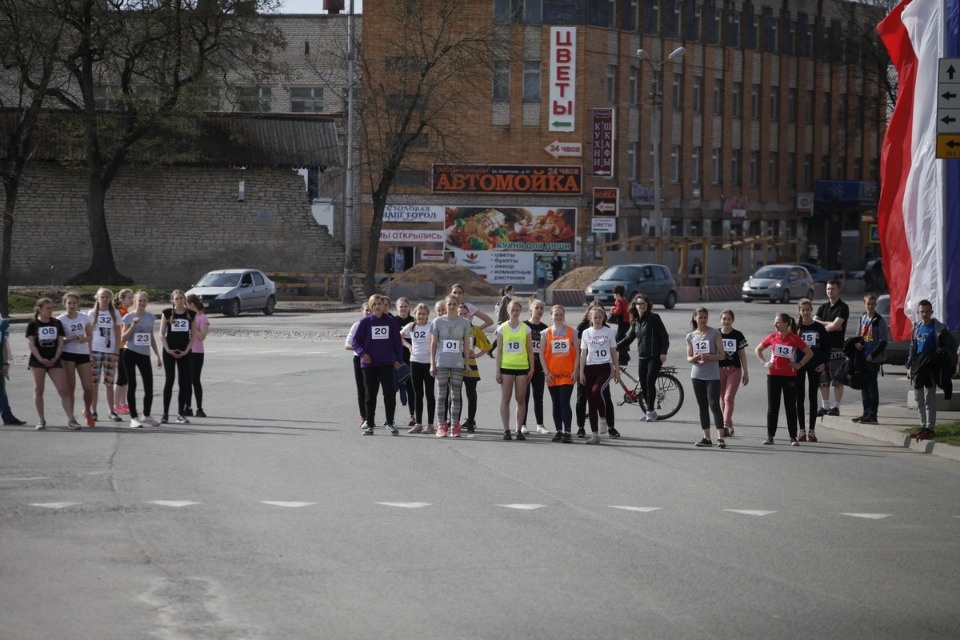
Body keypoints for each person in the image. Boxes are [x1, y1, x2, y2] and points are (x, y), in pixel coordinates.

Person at [756, 313, 814, 446]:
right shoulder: (772, 337)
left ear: (786, 323)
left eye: (778, 322)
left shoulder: (794, 338)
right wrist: (765, 363)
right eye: (775, 322)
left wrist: (799, 365)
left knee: (790, 406)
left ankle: (793, 437)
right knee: (773, 407)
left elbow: (809, 353)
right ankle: (770, 436)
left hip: (789, 376)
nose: (775, 324)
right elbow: (758, 350)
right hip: (773, 375)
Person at [352, 294, 403, 435]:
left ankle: (390, 422)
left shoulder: (391, 321)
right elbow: (355, 341)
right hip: (369, 365)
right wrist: (363, 354)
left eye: (380, 303)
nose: (377, 306)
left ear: (384, 305)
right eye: (374, 304)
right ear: (370, 307)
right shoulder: (365, 322)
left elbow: (397, 342)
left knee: (389, 394)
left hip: (386, 363)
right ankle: (369, 424)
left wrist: (398, 359)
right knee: (370, 395)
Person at [906, 300, 956, 440]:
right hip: (918, 366)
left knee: (929, 398)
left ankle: (930, 427)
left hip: (931, 367)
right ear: (918, 312)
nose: (925, 314)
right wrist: (909, 366)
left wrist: (941, 354)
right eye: (922, 311)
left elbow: (950, 345)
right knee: (919, 398)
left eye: (927, 311)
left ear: (931, 312)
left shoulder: (939, 328)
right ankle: (923, 426)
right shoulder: (917, 328)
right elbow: (912, 348)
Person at [25, 298, 77, 430]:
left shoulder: (56, 323)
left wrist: (55, 358)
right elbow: (31, 344)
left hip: (54, 360)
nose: (50, 311)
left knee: (63, 390)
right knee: (39, 389)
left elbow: (60, 342)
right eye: (47, 308)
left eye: (52, 308)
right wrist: (41, 359)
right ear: (40, 309)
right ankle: (41, 419)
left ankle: (71, 419)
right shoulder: (33, 324)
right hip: (38, 361)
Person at [617, 294, 670, 422]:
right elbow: (629, 338)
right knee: (644, 385)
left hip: (655, 355)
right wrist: (615, 346)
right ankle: (649, 411)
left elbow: (664, 336)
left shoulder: (654, 318)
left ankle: (650, 411)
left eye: (644, 303)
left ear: (648, 305)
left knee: (649, 381)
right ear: (635, 306)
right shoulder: (636, 321)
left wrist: (663, 352)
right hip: (642, 356)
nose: (642, 306)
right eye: (639, 304)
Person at [573, 302, 618, 438]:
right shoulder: (584, 329)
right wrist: (580, 370)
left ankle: (608, 423)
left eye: (600, 316)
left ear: (603, 316)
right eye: (595, 316)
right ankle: (588, 431)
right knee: (586, 399)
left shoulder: (608, 331)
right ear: (590, 316)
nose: (597, 319)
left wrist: (615, 369)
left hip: (603, 367)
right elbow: (581, 352)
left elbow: (613, 352)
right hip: (588, 367)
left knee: (600, 393)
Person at [429, 294, 471, 437]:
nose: (452, 306)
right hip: (441, 362)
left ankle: (454, 426)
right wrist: (432, 364)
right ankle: (441, 426)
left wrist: (467, 363)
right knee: (441, 395)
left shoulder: (464, 322)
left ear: (458, 305)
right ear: (445, 305)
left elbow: (466, 344)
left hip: (457, 363)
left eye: (454, 304)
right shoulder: (437, 321)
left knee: (456, 395)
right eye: (449, 304)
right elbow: (433, 344)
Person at [120, 291, 163, 428]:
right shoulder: (128, 317)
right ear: (135, 301)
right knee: (132, 384)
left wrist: (158, 355)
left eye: (145, 301)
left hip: (144, 354)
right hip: (130, 352)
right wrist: (133, 325)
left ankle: (146, 415)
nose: (142, 303)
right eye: (140, 301)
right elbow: (123, 339)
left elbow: (151, 337)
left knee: (149, 386)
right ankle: (134, 417)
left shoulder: (150, 317)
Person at [686, 307, 726, 448]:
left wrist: (710, 356)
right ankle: (706, 438)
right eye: (700, 317)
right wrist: (694, 358)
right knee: (702, 406)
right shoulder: (691, 336)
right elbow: (688, 358)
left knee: (714, 404)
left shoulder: (714, 333)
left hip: (712, 375)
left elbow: (722, 355)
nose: (703, 320)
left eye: (705, 317)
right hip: (697, 375)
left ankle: (721, 438)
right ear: (695, 318)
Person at [495, 300, 534, 440]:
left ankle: (518, 430)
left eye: (517, 310)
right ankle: (506, 430)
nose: (515, 313)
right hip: (506, 367)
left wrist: (531, 368)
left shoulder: (526, 328)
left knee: (520, 398)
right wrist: (498, 371)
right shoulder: (502, 328)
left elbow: (530, 350)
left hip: (522, 367)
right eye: (512, 310)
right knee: (506, 398)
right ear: (508, 311)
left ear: (520, 311)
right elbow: (499, 351)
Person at [540, 304, 579, 442]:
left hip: (568, 374)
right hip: (552, 374)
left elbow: (578, 353)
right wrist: (546, 372)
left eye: (561, 314)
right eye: (555, 314)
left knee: (564, 401)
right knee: (555, 403)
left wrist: (576, 370)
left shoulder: (572, 332)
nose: (558, 317)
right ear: (551, 316)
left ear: (564, 316)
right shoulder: (545, 333)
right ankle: (559, 431)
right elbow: (541, 354)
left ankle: (567, 432)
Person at [57, 292, 95, 427]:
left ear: (78, 304)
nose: (72, 305)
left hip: (82, 354)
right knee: (70, 387)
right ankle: (71, 417)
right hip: (67, 354)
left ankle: (87, 410)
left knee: (88, 387)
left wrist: (84, 339)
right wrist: (71, 338)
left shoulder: (84, 317)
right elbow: (59, 340)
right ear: (64, 304)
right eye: (69, 303)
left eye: (74, 303)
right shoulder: (60, 320)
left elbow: (90, 336)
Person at [159, 290, 196, 424]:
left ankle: (180, 413)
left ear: (185, 299)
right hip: (169, 351)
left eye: (181, 298)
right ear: (172, 301)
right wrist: (168, 349)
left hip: (184, 351)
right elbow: (162, 334)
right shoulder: (167, 313)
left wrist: (186, 350)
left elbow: (193, 336)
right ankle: (165, 413)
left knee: (183, 382)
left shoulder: (191, 314)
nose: (179, 300)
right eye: (176, 299)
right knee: (169, 380)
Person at [851, 294, 889, 424]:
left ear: (875, 305)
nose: (870, 306)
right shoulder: (862, 318)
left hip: (872, 359)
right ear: (864, 304)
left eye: (873, 304)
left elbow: (883, 341)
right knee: (864, 386)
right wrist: (857, 344)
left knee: (872, 387)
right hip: (862, 358)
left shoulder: (879, 321)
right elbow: (857, 336)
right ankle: (865, 412)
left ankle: (873, 414)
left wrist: (872, 355)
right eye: (868, 304)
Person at [815, 280, 850, 416]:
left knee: (837, 379)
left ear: (838, 290)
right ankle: (825, 406)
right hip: (822, 349)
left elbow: (835, 326)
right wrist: (830, 324)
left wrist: (828, 325)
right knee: (822, 380)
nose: (830, 291)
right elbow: (814, 323)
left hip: (836, 348)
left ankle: (836, 407)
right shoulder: (822, 307)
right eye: (828, 289)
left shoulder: (843, 307)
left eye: (833, 289)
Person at [795, 299, 829, 442]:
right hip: (799, 365)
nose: (805, 312)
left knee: (812, 397)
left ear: (811, 310)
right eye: (802, 310)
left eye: (807, 309)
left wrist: (824, 363)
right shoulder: (796, 327)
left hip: (815, 365)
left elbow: (827, 347)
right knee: (800, 397)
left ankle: (812, 431)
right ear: (799, 311)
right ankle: (802, 431)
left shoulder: (819, 327)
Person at [88, 288, 123, 423]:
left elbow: (118, 334)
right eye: (102, 297)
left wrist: (116, 352)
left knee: (109, 383)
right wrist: (89, 352)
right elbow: (89, 334)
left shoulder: (115, 313)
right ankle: (93, 411)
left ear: (110, 299)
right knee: (94, 383)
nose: (104, 299)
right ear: (97, 298)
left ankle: (111, 411)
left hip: (110, 351)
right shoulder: (92, 313)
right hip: (95, 350)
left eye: (107, 297)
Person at [401, 303, 435, 434]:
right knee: (418, 394)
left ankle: (430, 424)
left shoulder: (431, 326)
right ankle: (418, 423)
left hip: (428, 362)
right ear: (415, 314)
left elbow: (435, 343)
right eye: (419, 313)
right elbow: (398, 336)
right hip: (415, 362)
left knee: (429, 394)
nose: (421, 316)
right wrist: (408, 346)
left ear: (427, 315)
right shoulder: (411, 326)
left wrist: (433, 363)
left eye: (423, 314)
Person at [459, 302, 490, 434]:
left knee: (471, 395)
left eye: (465, 314)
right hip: (455, 365)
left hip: (471, 366)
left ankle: (471, 422)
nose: (463, 316)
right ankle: (455, 422)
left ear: (470, 315)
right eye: (460, 314)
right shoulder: (453, 328)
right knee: (455, 396)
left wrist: (477, 354)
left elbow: (487, 346)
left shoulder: (475, 330)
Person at [718, 309, 749, 438]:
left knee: (728, 398)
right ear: (720, 320)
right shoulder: (715, 334)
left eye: (729, 319)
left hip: (734, 369)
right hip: (719, 369)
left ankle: (725, 425)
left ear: (733, 320)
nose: (726, 321)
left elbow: (742, 354)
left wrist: (746, 372)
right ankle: (729, 424)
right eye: (724, 319)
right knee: (722, 400)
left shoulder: (738, 335)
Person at [520, 299, 548, 435]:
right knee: (524, 396)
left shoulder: (545, 328)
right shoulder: (523, 326)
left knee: (538, 396)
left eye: (542, 308)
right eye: (537, 308)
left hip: (539, 365)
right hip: (525, 365)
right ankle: (522, 424)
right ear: (531, 310)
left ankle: (540, 424)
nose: (539, 310)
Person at [345, 302, 372, 428]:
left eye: (371, 310)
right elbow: (347, 345)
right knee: (361, 389)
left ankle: (373, 417)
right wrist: (362, 350)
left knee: (371, 390)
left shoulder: (376, 325)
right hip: (359, 359)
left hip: (375, 360)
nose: (369, 312)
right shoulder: (357, 326)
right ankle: (364, 417)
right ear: (362, 311)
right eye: (366, 310)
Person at [184, 294, 210, 418]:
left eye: (186, 304)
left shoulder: (202, 317)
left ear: (192, 304)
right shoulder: (186, 317)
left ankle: (199, 408)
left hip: (197, 351)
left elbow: (202, 336)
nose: (185, 306)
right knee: (186, 380)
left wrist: (193, 325)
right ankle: (188, 407)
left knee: (195, 380)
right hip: (186, 350)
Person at [0, 311, 26, 425]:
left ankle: (7, 416)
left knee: (1, 390)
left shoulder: (2, 324)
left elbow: (4, 345)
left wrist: (5, 363)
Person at [111, 288, 134, 415]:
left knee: (125, 377)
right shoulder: (120, 313)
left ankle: (122, 403)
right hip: (120, 347)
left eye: (132, 297)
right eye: (129, 298)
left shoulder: (126, 312)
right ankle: (115, 405)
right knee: (121, 377)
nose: (132, 300)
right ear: (122, 299)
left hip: (125, 347)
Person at [394, 297, 416, 426]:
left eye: (405, 306)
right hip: (397, 357)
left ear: (409, 308)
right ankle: (390, 417)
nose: (403, 309)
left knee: (411, 388)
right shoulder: (393, 321)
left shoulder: (414, 321)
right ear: (397, 308)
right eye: (400, 306)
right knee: (392, 388)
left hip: (411, 357)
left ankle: (412, 415)